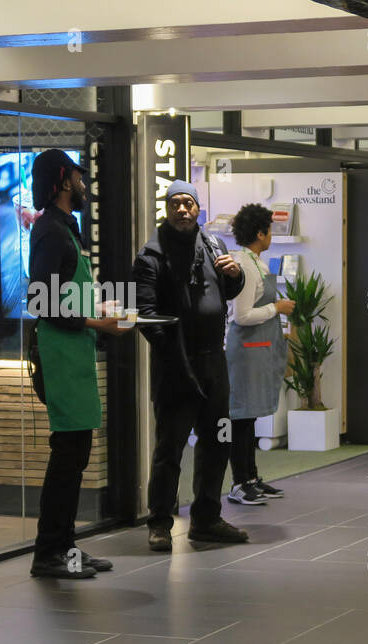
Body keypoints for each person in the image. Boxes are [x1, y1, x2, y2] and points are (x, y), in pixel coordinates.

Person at [26, 149, 131, 578]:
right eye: (78, 176)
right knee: (67, 458)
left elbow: (62, 294)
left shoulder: (66, 229)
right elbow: (40, 301)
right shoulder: (51, 232)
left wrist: (97, 306)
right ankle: (49, 553)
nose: (84, 183)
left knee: (76, 456)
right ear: (63, 180)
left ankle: (65, 549)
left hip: (75, 352)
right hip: (60, 355)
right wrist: (97, 323)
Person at [132, 180, 247, 552]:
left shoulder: (213, 244)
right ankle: (160, 523)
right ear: (167, 209)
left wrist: (236, 276)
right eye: (175, 204)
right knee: (170, 447)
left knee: (218, 442)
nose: (183, 209)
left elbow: (226, 292)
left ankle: (207, 518)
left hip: (214, 361)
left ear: (198, 209)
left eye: (189, 203)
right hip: (175, 367)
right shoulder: (151, 255)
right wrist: (176, 358)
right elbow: (145, 316)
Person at [225, 203, 293, 507]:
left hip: (257, 349)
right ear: (260, 233)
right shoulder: (245, 266)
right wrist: (276, 309)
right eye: (269, 229)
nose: (271, 235)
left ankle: (251, 477)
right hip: (245, 351)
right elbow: (242, 316)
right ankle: (239, 483)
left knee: (250, 416)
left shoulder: (256, 263)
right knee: (240, 417)